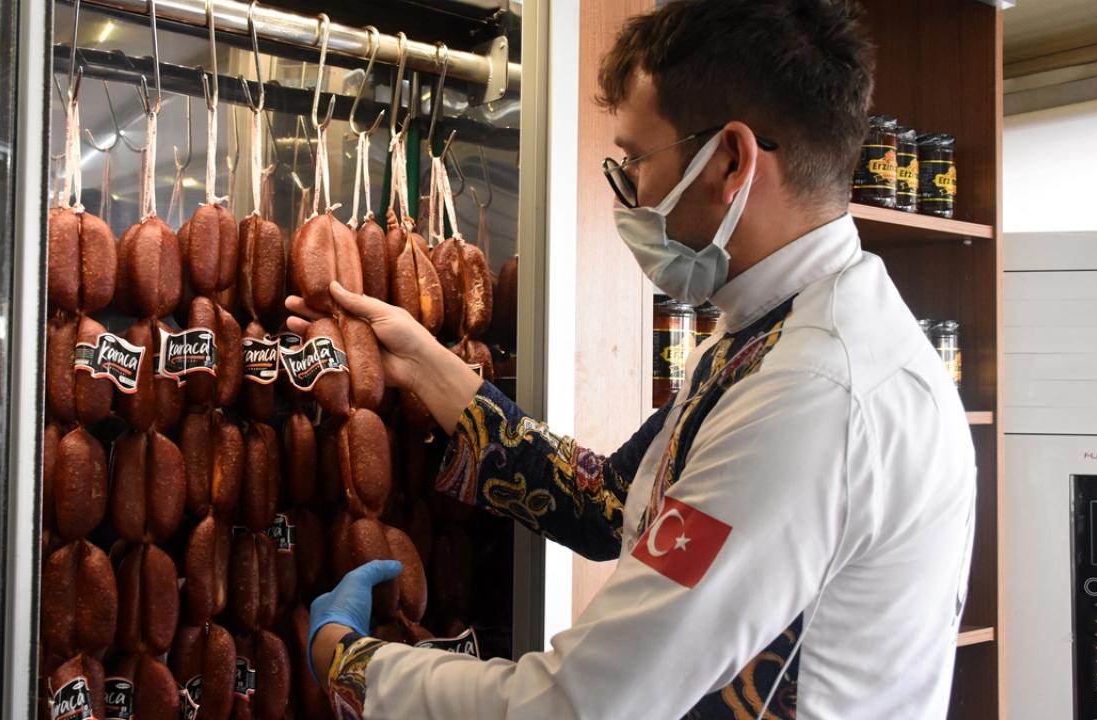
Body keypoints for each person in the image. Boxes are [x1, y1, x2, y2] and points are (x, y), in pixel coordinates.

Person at [286, 0, 976, 717]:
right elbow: (614, 503)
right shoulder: (771, 333)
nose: (629, 193)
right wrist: (429, 365)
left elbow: (579, 706)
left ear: (730, 161)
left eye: (636, 161)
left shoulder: (813, 393)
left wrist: (347, 661)